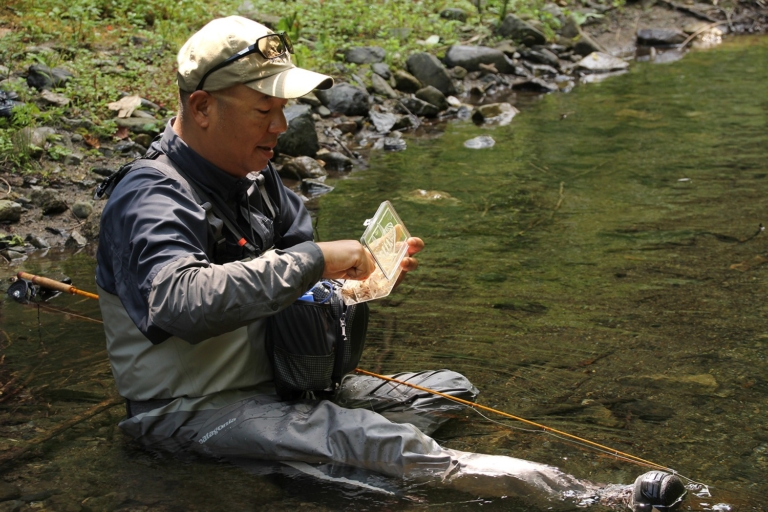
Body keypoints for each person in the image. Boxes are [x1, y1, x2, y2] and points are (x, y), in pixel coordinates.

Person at [94, 16, 685, 510]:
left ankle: (323, 461)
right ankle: (598, 498)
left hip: (281, 384)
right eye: (263, 110)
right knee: (393, 450)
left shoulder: (257, 178)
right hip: (191, 411)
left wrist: (356, 284)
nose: (281, 126)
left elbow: (298, 285)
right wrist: (317, 259)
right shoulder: (150, 197)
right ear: (201, 107)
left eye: (284, 107)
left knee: (452, 391)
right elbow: (178, 302)